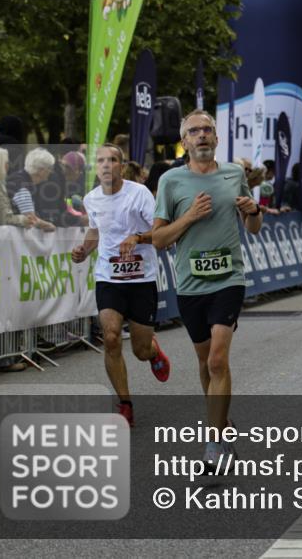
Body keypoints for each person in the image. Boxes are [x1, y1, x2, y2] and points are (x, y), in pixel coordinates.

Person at [152, 110, 263, 465]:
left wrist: (254, 209)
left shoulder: (234, 174)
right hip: (189, 283)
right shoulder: (171, 181)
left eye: (207, 130)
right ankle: (222, 422)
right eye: (194, 131)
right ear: (183, 142)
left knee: (217, 359)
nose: (201, 135)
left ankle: (213, 441)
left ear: (216, 138)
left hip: (228, 279)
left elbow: (254, 227)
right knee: (205, 362)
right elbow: (158, 239)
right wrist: (189, 217)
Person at [71, 143, 171, 427]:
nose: (105, 165)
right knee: (112, 336)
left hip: (141, 279)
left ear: (121, 165)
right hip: (109, 278)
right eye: (100, 160)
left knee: (140, 350)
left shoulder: (138, 194)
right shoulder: (91, 199)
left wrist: (137, 238)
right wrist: (84, 250)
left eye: (112, 160)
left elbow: (161, 232)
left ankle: (152, 351)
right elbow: (95, 231)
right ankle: (125, 403)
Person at [7, 148, 58, 231]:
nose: (51, 172)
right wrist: (48, 225)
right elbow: (31, 219)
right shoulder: (22, 186)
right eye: (50, 168)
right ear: (42, 170)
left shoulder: (19, 178)